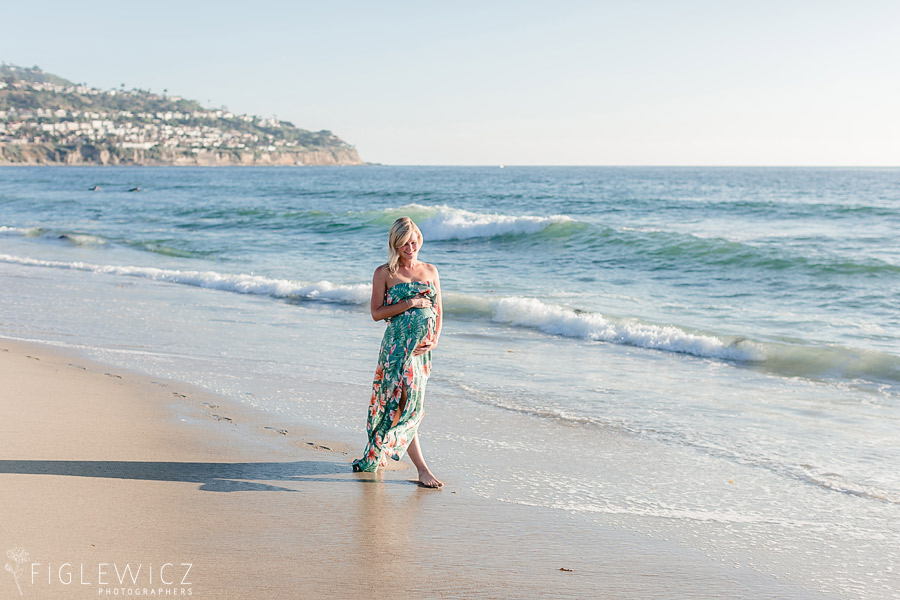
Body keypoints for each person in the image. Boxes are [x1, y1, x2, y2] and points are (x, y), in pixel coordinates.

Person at [351, 217, 443, 488]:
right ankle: (421, 468)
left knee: (410, 405)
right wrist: (409, 303)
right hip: (396, 348)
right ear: (395, 244)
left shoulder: (430, 270)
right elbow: (376, 313)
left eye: (413, 241)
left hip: (421, 352)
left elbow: (438, 311)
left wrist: (435, 339)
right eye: (404, 244)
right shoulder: (385, 273)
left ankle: (382, 447)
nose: (410, 247)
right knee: (400, 403)